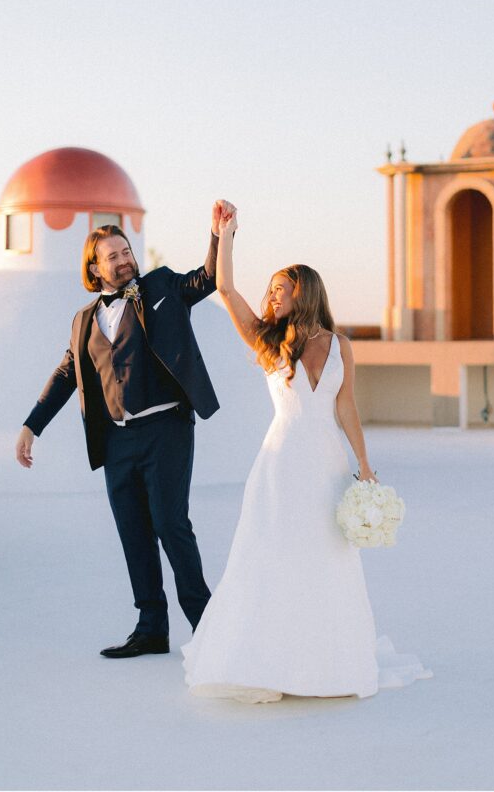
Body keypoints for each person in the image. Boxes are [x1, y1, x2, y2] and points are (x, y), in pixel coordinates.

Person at [182, 208, 432, 702]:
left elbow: (347, 409)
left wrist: (364, 467)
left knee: (326, 560)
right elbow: (226, 290)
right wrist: (225, 235)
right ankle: (264, 663)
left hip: (326, 468)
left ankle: (322, 664)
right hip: (280, 466)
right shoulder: (266, 339)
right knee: (270, 556)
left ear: (304, 291)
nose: (270, 296)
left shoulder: (340, 345)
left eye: (279, 288)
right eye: (271, 289)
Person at [15, 199, 236, 658]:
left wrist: (218, 234)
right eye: (112, 255)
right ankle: (151, 628)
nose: (124, 259)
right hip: (117, 440)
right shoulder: (83, 321)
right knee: (134, 531)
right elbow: (65, 376)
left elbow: (207, 279)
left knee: (172, 525)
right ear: (94, 269)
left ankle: (209, 626)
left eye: (126, 250)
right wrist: (31, 426)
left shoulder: (160, 286)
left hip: (166, 430)